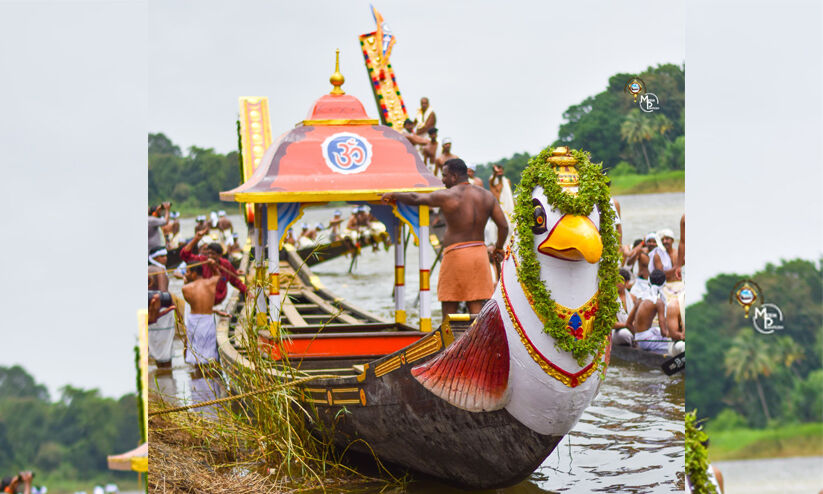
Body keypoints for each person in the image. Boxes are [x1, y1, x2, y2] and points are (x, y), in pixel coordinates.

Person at [382, 158, 508, 317]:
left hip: (456, 255)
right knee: (476, 308)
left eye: (445, 175)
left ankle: (449, 342)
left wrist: (394, 194)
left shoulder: (447, 195)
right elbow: (503, 226)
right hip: (479, 255)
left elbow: (416, 199)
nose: (442, 180)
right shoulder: (487, 196)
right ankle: (475, 341)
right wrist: (499, 247)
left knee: (449, 307)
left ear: (454, 176)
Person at [180, 228, 247, 305]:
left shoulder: (226, 265)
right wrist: (196, 239)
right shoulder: (202, 260)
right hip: (204, 300)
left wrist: (246, 291)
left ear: (220, 255)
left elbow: (236, 281)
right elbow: (184, 255)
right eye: (209, 253)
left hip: (218, 301)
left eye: (213, 254)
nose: (210, 256)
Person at [181, 261, 224, 366]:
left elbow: (191, 301)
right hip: (208, 320)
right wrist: (212, 265)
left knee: (196, 354)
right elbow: (218, 275)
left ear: (194, 273)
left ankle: (198, 379)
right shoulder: (211, 283)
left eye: (187, 272)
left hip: (194, 320)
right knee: (210, 353)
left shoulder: (186, 288)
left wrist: (186, 281)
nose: (185, 274)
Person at [626, 270, 671, 352]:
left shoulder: (640, 298)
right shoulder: (659, 302)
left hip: (639, 338)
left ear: (649, 281)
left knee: (656, 330)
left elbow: (628, 324)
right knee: (673, 344)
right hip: (646, 341)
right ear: (663, 284)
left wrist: (637, 338)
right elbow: (664, 332)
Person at [626, 233, 658, 301]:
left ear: (657, 243)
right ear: (646, 243)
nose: (651, 244)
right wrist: (637, 252)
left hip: (652, 284)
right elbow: (629, 263)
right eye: (649, 241)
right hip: (640, 282)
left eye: (654, 242)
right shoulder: (641, 252)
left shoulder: (659, 254)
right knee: (632, 300)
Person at [613, 268, 636, 346]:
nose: (617, 283)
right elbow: (610, 324)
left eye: (620, 280)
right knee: (624, 334)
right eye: (616, 280)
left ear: (627, 283)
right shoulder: (610, 298)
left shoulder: (633, 298)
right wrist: (627, 325)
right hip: (615, 332)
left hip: (632, 329)